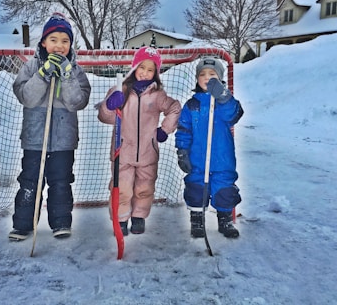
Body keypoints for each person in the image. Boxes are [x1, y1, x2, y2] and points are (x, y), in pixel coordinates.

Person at [9, 12, 91, 241]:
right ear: (44, 42)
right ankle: (23, 224)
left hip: (64, 139)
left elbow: (77, 102)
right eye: (53, 40)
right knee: (30, 180)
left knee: (61, 181)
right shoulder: (31, 67)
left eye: (65, 41)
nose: (59, 45)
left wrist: (66, 74)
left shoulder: (76, 71)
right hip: (35, 138)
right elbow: (27, 97)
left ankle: (61, 222)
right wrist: (43, 75)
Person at [97, 46, 181, 236]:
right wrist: (111, 105)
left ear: (156, 73)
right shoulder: (121, 90)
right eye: (142, 67)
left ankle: (138, 217)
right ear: (134, 67)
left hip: (147, 153)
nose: (145, 73)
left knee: (145, 188)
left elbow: (174, 108)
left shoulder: (158, 95)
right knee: (122, 188)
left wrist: (164, 130)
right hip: (122, 151)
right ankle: (121, 220)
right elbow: (105, 117)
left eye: (150, 70)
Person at [175, 57, 243, 238]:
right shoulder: (192, 105)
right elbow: (184, 129)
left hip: (222, 158)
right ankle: (197, 219)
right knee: (196, 187)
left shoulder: (225, 102)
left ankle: (225, 219)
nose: (206, 77)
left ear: (220, 78)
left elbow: (235, 114)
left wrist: (223, 97)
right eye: (202, 74)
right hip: (197, 158)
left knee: (224, 188)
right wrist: (182, 151)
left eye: (212, 74)